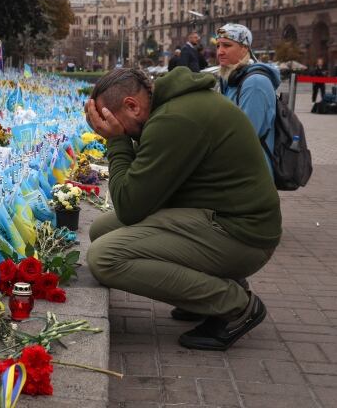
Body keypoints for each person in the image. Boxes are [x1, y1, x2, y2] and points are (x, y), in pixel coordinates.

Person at [84, 67, 281, 351]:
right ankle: (204, 295)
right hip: (225, 220)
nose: (113, 127)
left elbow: (129, 205)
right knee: (101, 230)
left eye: (112, 119)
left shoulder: (174, 119)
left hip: (242, 236)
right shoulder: (173, 106)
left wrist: (116, 141)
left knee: (105, 258)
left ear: (131, 105)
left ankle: (235, 305)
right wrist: (123, 136)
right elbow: (142, 195)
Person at [216, 23, 280, 174]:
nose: (220, 52)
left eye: (227, 45)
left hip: (251, 176)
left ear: (244, 48)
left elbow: (245, 136)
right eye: (218, 46)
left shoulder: (255, 83)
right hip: (236, 170)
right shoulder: (230, 79)